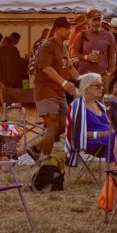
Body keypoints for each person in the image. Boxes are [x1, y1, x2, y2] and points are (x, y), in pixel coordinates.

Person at [30, 16, 80, 162]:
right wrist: (64, 82)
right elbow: (45, 68)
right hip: (45, 90)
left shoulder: (63, 47)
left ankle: (36, 148)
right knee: (52, 125)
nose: (70, 31)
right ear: (57, 29)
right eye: (67, 28)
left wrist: (83, 81)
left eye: (70, 28)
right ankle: (46, 162)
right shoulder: (47, 46)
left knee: (62, 126)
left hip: (59, 92)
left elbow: (70, 68)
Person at [66, 73, 115, 164]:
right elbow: (76, 135)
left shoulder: (100, 105)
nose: (101, 88)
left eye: (102, 85)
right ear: (86, 88)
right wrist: (102, 134)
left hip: (108, 139)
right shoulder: (77, 106)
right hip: (94, 143)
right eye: (98, 85)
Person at [72, 11, 117, 79]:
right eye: (94, 20)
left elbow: (113, 57)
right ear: (88, 21)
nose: (97, 23)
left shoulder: (109, 35)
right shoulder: (82, 35)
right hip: (84, 76)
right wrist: (86, 57)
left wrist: (109, 73)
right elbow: (73, 54)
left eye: (99, 20)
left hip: (101, 76)